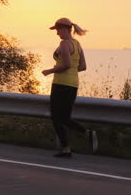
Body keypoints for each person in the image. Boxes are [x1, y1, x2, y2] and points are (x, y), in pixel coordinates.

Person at [42, 17, 98, 158]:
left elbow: (66, 64)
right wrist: (70, 72)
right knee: (65, 118)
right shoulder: (77, 44)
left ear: (65, 29)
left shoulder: (65, 44)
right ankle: (87, 133)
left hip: (61, 84)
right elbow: (83, 66)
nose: (57, 33)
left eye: (58, 30)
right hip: (73, 84)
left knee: (56, 117)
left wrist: (50, 71)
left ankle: (66, 148)